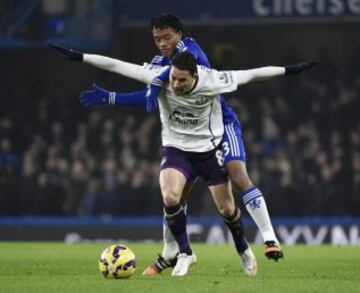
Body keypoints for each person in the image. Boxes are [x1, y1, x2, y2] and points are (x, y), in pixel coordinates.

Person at [78, 14, 287, 275]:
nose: (162, 43)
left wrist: (288, 70)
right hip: (178, 145)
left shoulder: (198, 61)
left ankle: (245, 246)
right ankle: (183, 253)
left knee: (227, 205)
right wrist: (91, 69)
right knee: (171, 196)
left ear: (179, 35)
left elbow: (251, 74)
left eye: (167, 37)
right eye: (157, 39)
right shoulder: (159, 66)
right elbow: (118, 66)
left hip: (212, 139)